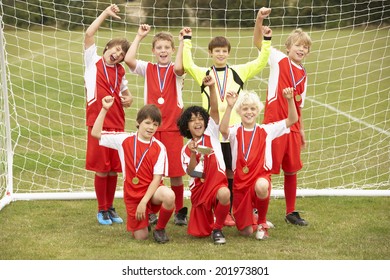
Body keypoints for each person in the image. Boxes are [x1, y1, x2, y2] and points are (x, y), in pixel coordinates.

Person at [182, 7, 272, 227]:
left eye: (224, 51)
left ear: (228, 53)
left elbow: (260, 62)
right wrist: (186, 40)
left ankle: (236, 210)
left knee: (235, 172)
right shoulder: (204, 73)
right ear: (211, 53)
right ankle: (220, 210)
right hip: (212, 134)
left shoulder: (239, 71)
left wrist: (267, 39)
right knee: (216, 173)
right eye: (216, 51)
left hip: (234, 134)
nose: (220, 54)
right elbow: (187, 64)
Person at [125, 24, 188, 226]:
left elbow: (179, 67)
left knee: (176, 174)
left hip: (172, 128)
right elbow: (128, 60)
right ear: (153, 51)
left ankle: (179, 211)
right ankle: (151, 210)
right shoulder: (148, 68)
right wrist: (139, 36)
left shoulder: (177, 69)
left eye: (166, 48)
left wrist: (180, 42)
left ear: (171, 50)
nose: (163, 51)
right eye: (159, 48)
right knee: (149, 173)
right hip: (150, 130)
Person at [91, 99, 175, 243]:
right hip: (133, 194)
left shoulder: (160, 147)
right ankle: (144, 220)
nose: (151, 127)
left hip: (151, 192)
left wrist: (144, 201)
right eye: (147, 123)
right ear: (138, 122)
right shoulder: (124, 140)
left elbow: (157, 179)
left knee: (169, 195)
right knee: (141, 237)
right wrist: (105, 109)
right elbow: (95, 133)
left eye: (155, 124)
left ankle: (160, 228)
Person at [219, 88, 298, 240]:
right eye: (245, 109)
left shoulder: (266, 130)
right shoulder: (235, 131)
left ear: (258, 110)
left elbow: (292, 120)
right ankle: (252, 217)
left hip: (259, 177)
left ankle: (262, 222)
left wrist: (290, 99)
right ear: (239, 111)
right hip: (241, 184)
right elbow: (223, 130)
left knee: (262, 185)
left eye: (253, 108)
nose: (249, 112)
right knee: (246, 232)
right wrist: (229, 106)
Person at [254, 24, 313, 226]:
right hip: (274, 124)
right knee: (266, 169)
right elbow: (257, 43)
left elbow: (299, 105)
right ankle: (257, 209)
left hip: (293, 127)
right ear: (288, 47)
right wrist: (259, 24)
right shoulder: (279, 59)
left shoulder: (304, 74)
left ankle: (291, 212)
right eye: (298, 45)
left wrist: (301, 129)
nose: (301, 49)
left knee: (291, 169)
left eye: (305, 47)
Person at [84, 4, 133, 225]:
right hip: (97, 122)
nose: (117, 54)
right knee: (102, 169)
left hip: (117, 122)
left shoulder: (120, 71)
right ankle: (101, 209)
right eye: (115, 49)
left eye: (121, 54)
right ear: (107, 47)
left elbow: (125, 92)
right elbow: (88, 33)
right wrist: (105, 13)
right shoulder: (92, 61)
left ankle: (111, 207)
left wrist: (129, 98)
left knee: (114, 169)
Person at [177, 75, 230, 245]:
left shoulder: (211, 133)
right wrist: (194, 153)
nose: (197, 122)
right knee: (199, 233)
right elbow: (193, 172)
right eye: (192, 120)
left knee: (225, 193)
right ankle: (207, 216)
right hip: (200, 192)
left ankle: (218, 229)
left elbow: (214, 109)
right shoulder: (185, 149)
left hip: (217, 185)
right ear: (186, 126)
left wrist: (212, 87)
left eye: (200, 118)